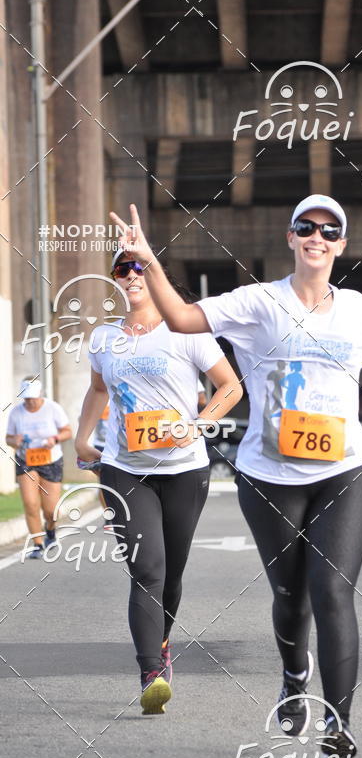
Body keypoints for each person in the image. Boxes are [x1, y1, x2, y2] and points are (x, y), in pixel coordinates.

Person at [110, 198, 362, 758]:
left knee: (333, 593)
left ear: (341, 245)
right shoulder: (259, 302)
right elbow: (184, 319)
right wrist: (148, 260)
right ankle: (295, 679)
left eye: (329, 231)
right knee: (290, 599)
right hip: (269, 476)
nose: (317, 236)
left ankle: (338, 725)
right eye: (305, 228)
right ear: (291, 238)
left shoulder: (360, 312)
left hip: (346, 470)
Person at [74, 249, 242, 715]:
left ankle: (162, 640)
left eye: (139, 268)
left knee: (172, 573)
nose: (129, 276)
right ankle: (151, 672)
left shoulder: (187, 329)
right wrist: (82, 437)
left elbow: (230, 387)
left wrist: (198, 423)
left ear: (157, 276)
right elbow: (99, 390)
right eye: (121, 270)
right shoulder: (105, 338)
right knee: (147, 568)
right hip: (125, 468)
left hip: (184, 469)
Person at [6, 377, 72, 559]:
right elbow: (8, 438)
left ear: (40, 394)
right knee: (30, 504)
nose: (30, 401)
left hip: (50, 460)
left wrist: (55, 439)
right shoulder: (16, 413)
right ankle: (37, 544)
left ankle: (50, 531)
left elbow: (67, 431)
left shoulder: (53, 408)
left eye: (33, 397)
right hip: (26, 460)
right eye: (26, 398)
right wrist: (15, 441)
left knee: (52, 511)